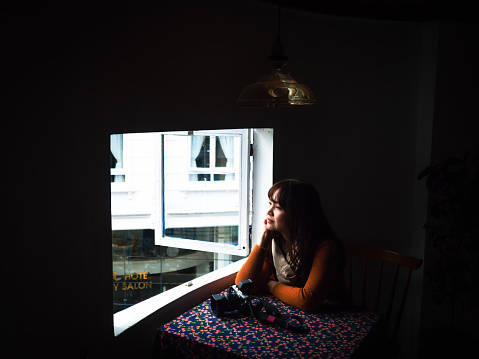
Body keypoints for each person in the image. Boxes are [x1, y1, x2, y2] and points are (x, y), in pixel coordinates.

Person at [235, 179, 350, 312]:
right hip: (295, 311)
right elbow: (244, 283)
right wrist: (263, 240)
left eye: (278, 207)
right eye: (270, 203)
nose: (269, 212)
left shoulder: (325, 247)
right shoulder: (277, 240)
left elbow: (307, 301)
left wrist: (269, 284)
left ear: (298, 214)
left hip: (335, 316)